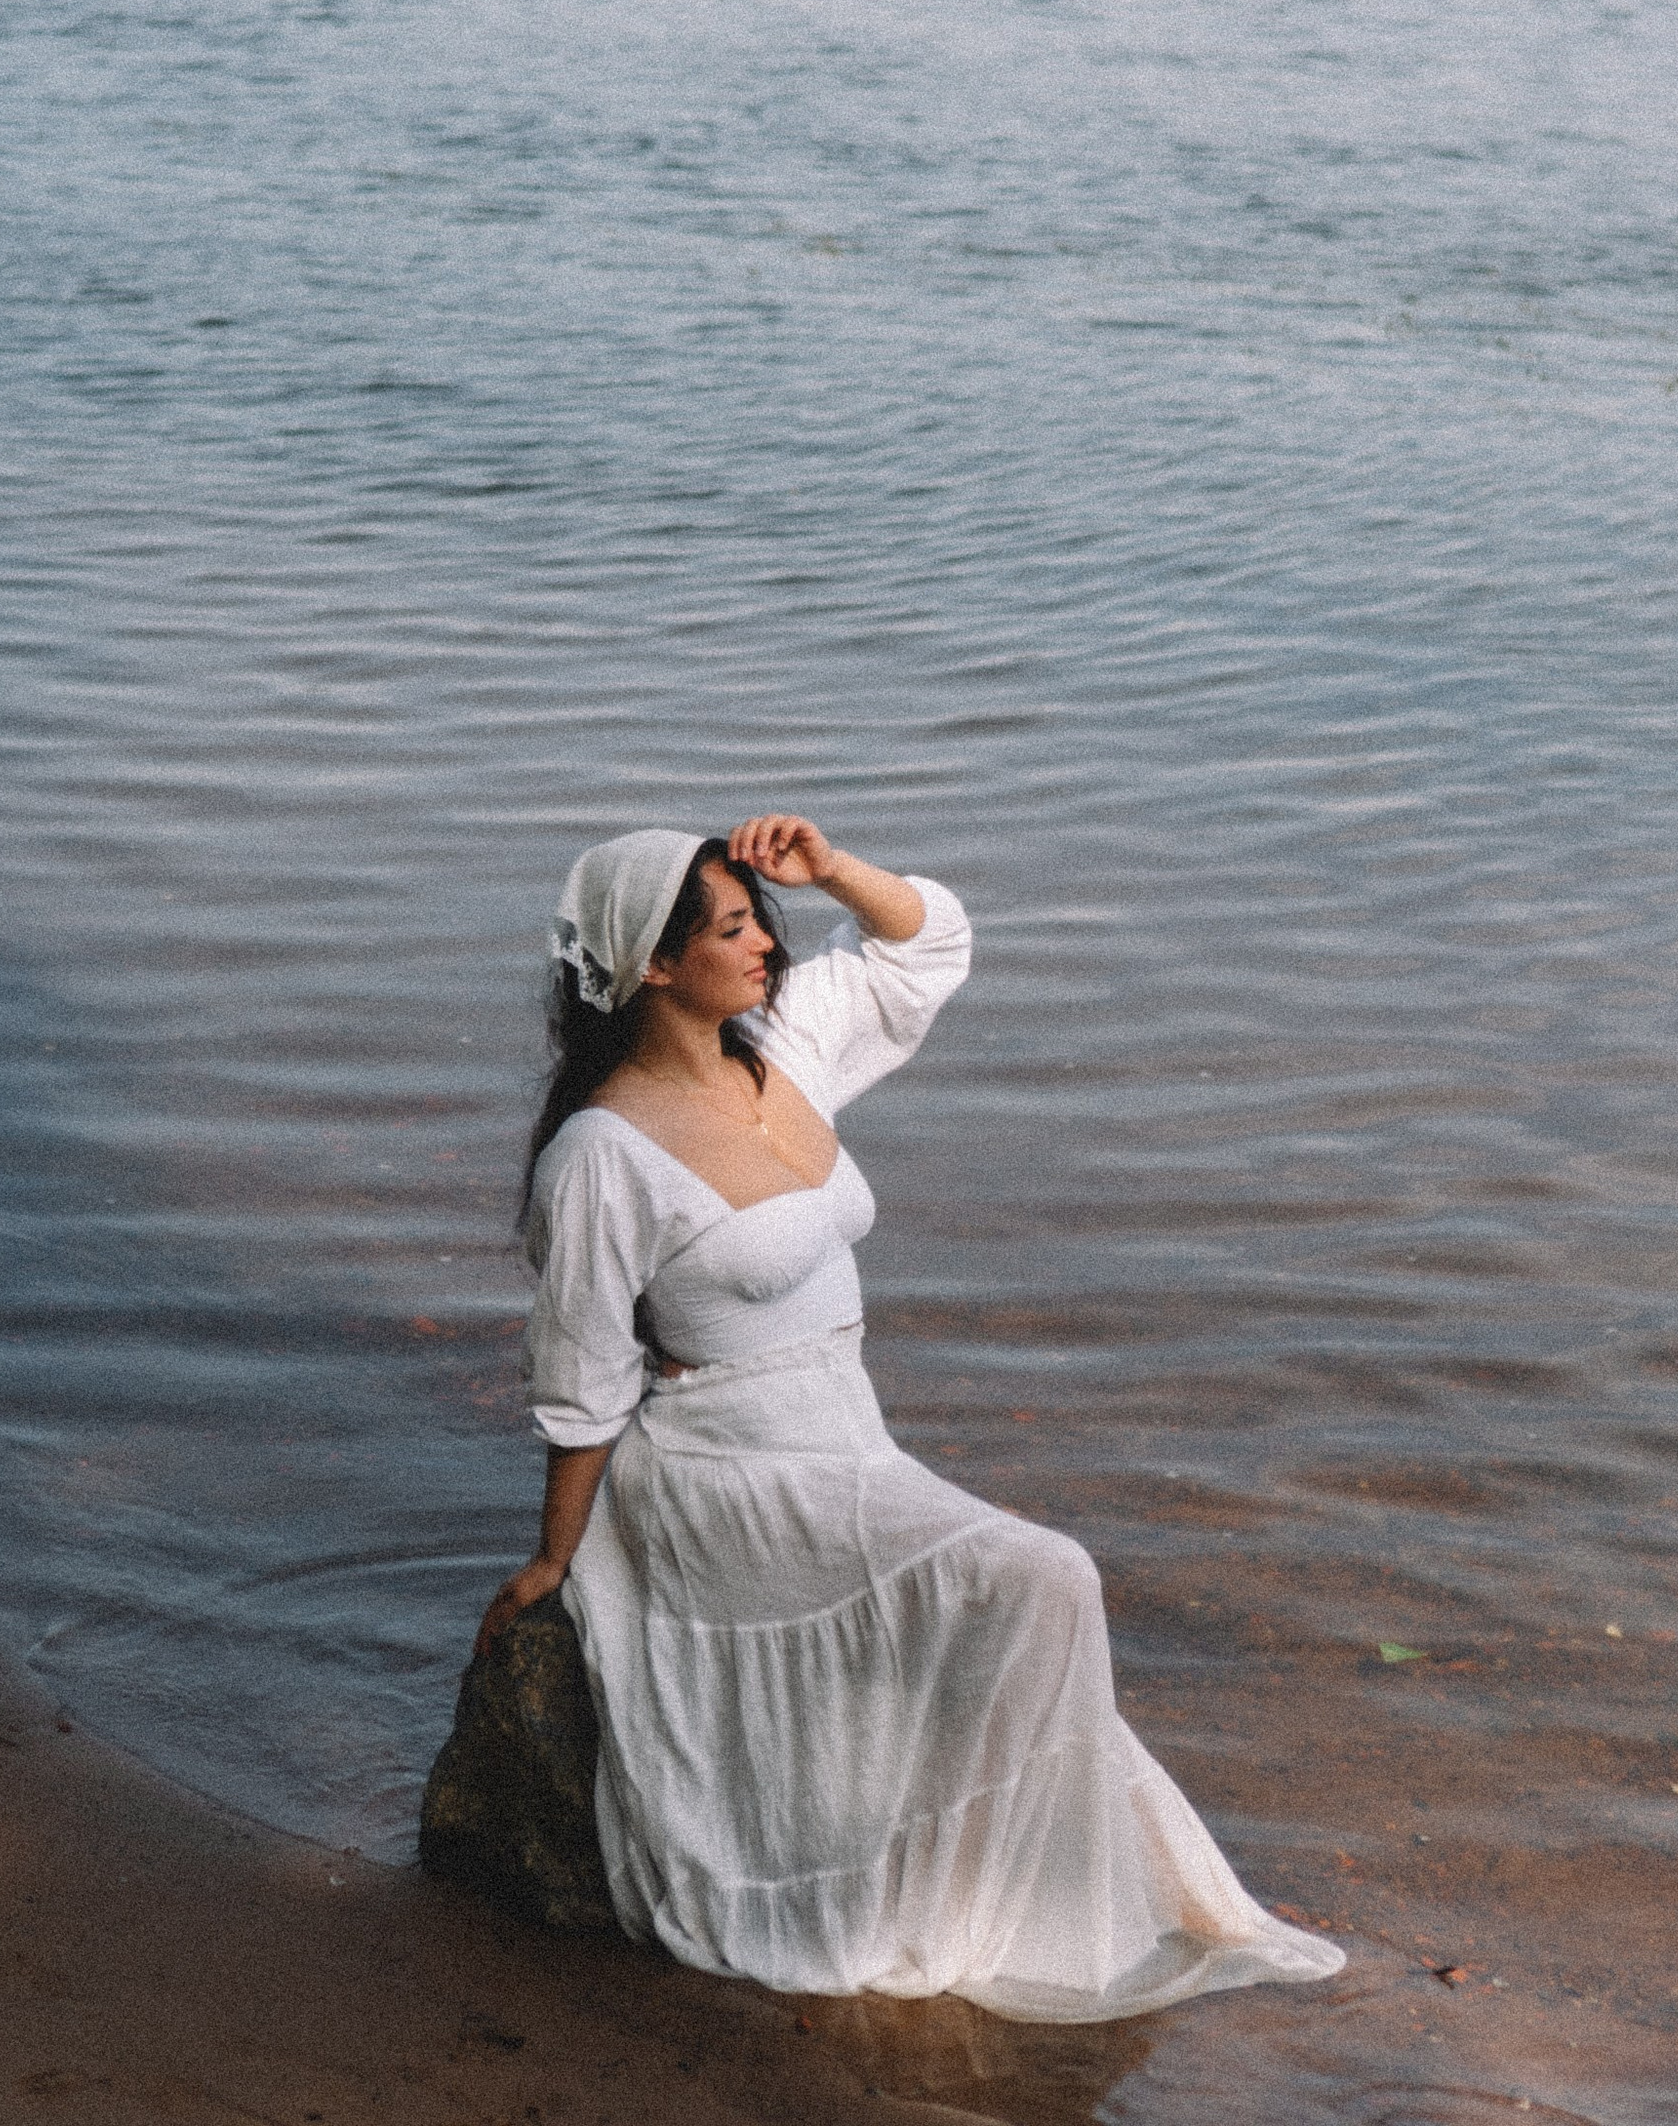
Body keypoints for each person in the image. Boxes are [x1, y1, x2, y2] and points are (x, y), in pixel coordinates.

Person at [478, 814, 1344, 2023]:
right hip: (727, 1468)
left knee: (1021, 1592)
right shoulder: (600, 1156)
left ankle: (972, 1875)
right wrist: (557, 1561)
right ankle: (968, 1899)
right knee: (1046, 1574)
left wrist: (827, 868)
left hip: (845, 1437)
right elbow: (578, 1381)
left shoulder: (780, 1050)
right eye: (735, 929)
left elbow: (927, 946)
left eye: (762, 922)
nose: (767, 947)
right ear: (654, 967)